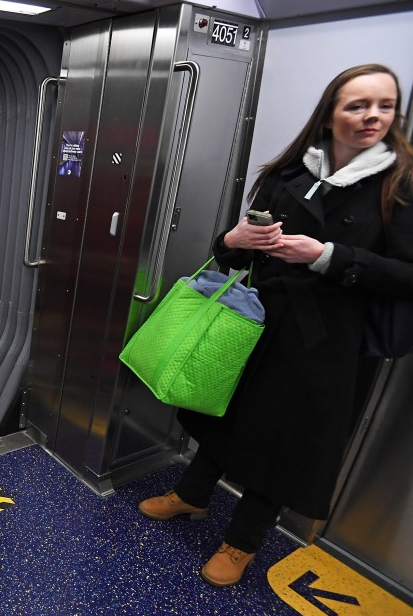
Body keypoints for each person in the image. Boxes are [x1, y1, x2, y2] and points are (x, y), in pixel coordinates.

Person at [138, 64, 413, 587]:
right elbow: (237, 251)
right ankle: (193, 495)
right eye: (357, 105)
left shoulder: (398, 187)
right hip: (257, 319)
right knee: (224, 412)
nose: (372, 116)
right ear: (330, 115)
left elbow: (407, 275)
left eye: (384, 105)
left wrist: (329, 256)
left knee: (287, 442)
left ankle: (242, 542)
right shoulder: (290, 172)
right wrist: (233, 241)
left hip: (329, 342)